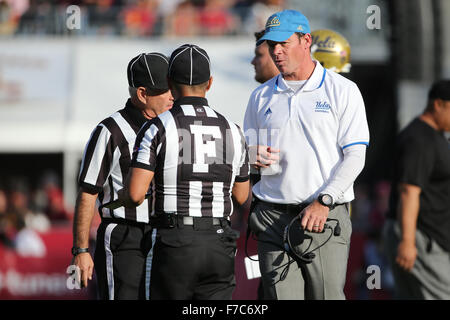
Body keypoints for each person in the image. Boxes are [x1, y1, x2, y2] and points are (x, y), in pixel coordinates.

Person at [243, 9, 369, 300]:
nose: (276, 51)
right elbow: (248, 154)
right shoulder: (260, 96)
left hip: (323, 216)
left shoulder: (343, 90)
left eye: (283, 44)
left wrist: (324, 201)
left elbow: (355, 155)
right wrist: (249, 155)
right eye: (271, 45)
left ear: (306, 40)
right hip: (272, 217)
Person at [120, 44, 250, 300]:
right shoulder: (233, 130)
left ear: (169, 81)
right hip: (219, 240)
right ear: (209, 83)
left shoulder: (158, 127)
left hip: (174, 240)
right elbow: (243, 196)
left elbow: (135, 195)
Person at [72, 52, 174, 300]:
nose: (172, 95)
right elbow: (88, 193)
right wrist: (81, 250)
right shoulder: (110, 130)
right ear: (142, 94)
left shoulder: (173, 124)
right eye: (164, 90)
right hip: (125, 237)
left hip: (165, 235)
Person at [383, 80, 450, 299]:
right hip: (420, 238)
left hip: (428, 237)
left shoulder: (435, 136)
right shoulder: (420, 139)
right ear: (439, 104)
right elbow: (409, 191)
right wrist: (408, 242)